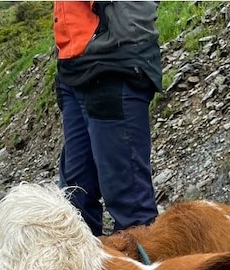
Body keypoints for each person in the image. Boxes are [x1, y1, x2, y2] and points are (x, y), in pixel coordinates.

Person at [53, 1, 162, 236]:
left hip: (113, 64)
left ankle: (145, 268)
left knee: (128, 201)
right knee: (75, 196)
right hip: (74, 65)